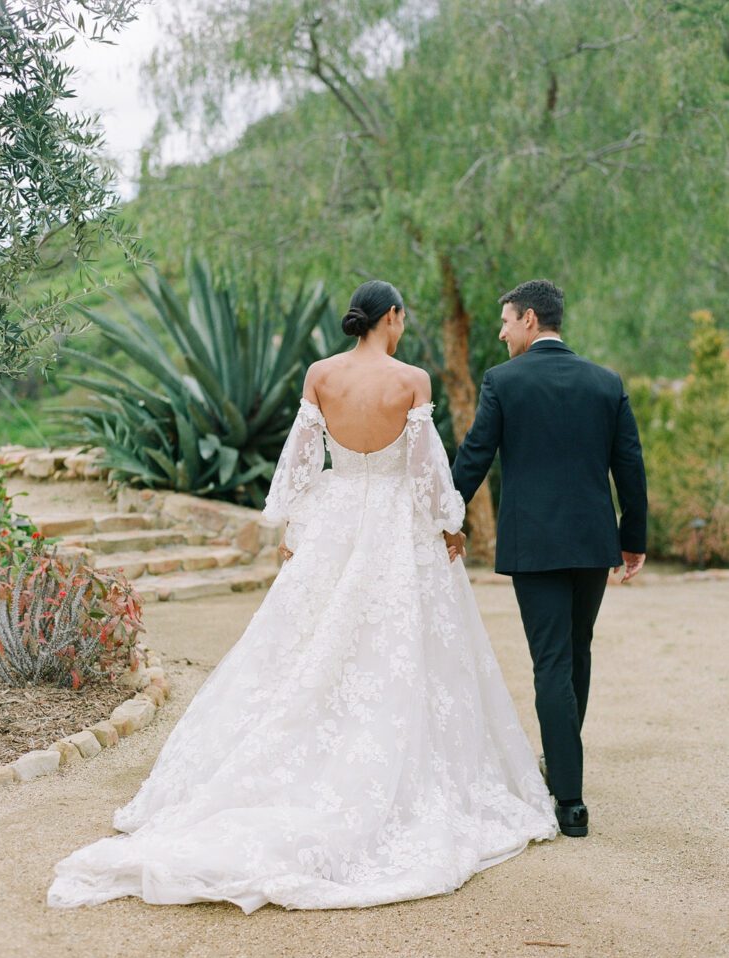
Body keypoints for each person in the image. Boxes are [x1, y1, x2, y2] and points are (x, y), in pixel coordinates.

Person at [47, 280, 557, 914]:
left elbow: (299, 462)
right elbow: (428, 471)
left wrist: (294, 527)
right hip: (396, 528)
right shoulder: (413, 381)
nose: (403, 328)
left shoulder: (321, 375)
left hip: (337, 519)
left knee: (306, 642)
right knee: (399, 644)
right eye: (402, 319)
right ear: (390, 317)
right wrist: (447, 526)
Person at [450, 279, 648, 838]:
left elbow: (474, 459)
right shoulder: (605, 383)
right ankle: (565, 768)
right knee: (575, 650)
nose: (502, 331)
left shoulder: (503, 382)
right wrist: (632, 537)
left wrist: (442, 514)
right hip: (592, 544)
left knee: (552, 661)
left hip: (534, 545)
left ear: (531, 320)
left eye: (507, 321)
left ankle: (569, 799)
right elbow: (629, 467)